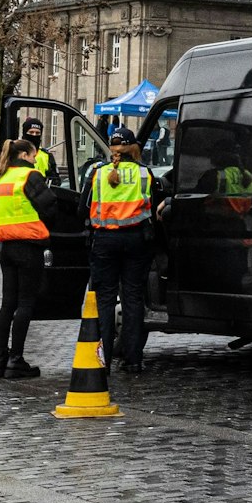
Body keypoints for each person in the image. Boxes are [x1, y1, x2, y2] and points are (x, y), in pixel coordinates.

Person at [0, 138, 68, 379]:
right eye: (33, 156)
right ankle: (16, 359)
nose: (35, 160)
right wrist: (46, 227)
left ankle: (0, 360)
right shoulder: (29, 176)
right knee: (25, 303)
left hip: (6, 247)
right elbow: (50, 204)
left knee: (7, 304)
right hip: (29, 246)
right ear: (23, 155)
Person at [87, 127, 156, 373]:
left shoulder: (97, 173)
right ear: (133, 147)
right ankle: (133, 359)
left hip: (105, 240)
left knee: (105, 300)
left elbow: (83, 208)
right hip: (136, 240)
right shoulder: (144, 174)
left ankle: (103, 360)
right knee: (133, 298)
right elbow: (154, 204)